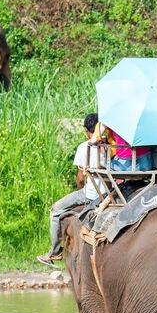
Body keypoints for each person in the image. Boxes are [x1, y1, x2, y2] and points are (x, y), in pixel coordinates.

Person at [36, 113, 107, 267]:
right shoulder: (111, 147)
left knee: (55, 210)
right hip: (109, 192)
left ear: (86, 131)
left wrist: (82, 191)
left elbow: (80, 179)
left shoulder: (84, 147)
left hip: (92, 194)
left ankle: (54, 252)